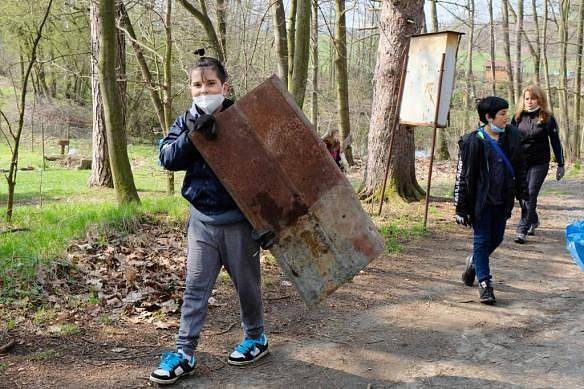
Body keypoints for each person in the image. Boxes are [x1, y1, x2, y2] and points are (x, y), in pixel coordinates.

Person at [151, 50, 269, 385]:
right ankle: (185, 354)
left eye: (211, 84)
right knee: (194, 289)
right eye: (197, 85)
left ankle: (256, 338)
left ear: (225, 86)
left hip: (239, 224)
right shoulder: (185, 121)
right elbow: (167, 158)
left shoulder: (244, 120)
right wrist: (194, 136)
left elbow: (266, 173)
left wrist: (266, 223)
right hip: (202, 221)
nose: (204, 91)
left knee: (247, 286)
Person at [454, 96, 528, 304]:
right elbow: (463, 176)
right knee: (482, 239)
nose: (507, 117)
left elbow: (520, 167)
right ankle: (485, 285)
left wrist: (523, 195)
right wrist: (461, 208)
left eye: (506, 113)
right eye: (502, 114)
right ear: (488, 117)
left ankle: (474, 263)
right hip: (481, 201)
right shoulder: (472, 141)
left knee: (497, 238)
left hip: (503, 199)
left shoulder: (512, 136)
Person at [511, 84, 565, 244]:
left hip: (539, 163)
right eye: (527, 98)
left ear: (540, 100)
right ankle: (533, 220)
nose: (530, 102)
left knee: (530, 193)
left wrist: (561, 164)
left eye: (533, 98)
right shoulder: (517, 117)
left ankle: (522, 229)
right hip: (521, 163)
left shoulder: (547, 118)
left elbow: (555, 142)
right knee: (522, 195)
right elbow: (511, 141)